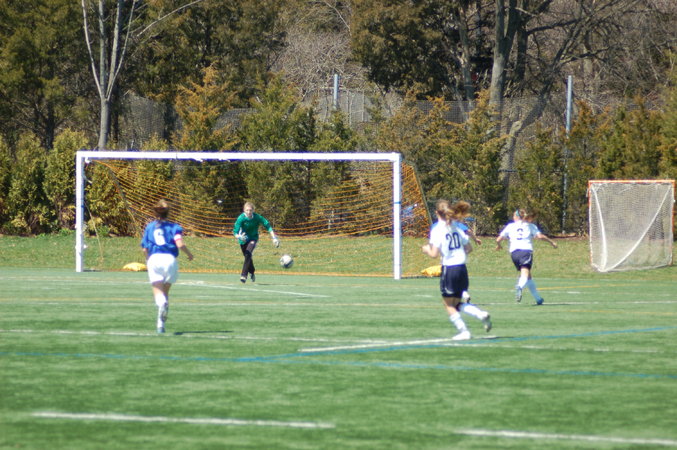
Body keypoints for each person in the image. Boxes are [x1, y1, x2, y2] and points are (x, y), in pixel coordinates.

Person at [421, 200, 492, 341]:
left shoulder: (437, 229)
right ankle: (480, 314)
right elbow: (469, 248)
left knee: (448, 304)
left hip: (450, 269)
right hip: (462, 268)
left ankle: (465, 332)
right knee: (457, 304)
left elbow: (434, 254)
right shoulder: (456, 227)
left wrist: (426, 249)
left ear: (436, 213)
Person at [141, 199, 194, 334]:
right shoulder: (175, 227)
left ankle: (162, 306)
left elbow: (144, 248)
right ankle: (160, 325)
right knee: (165, 292)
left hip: (154, 259)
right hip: (170, 260)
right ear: (168, 212)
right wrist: (189, 254)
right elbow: (180, 244)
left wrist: (148, 260)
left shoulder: (150, 227)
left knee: (158, 293)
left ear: (155, 212)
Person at [495, 208, 557, 305]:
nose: (513, 217)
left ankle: (538, 298)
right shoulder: (530, 226)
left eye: (513, 215)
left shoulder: (510, 226)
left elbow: (498, 239)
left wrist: (499, 245)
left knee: (528, 276)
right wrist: (551, 242)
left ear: (516, 217)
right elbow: (540, 236)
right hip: (525, 251)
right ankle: (520, 286)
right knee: (525, 274)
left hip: (514, 253)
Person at [233, 201, 279, 283]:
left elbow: (267, 225)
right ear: (244, 210)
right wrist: (239, 237)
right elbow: (235, 232)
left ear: (253, 210)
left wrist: (274, 237)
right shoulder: (241, 218)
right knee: (247, 256)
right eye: (247, 210)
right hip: (243, 240)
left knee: (248, 254)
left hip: (253, 238)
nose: (249, 212)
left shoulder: (257, 217)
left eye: (250, 210)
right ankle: (252, 271)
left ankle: (244, 275)